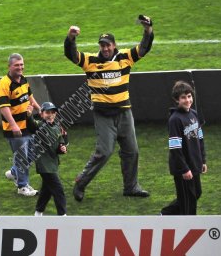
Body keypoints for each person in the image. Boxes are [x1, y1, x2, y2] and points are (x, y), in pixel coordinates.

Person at [64, 15, 154, 201]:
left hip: (124, 113)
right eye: (102, 45)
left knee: (132, 151)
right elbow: (71, 55)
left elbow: (144, 48)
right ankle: (81, 183)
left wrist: (148, 30)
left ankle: (131, 187)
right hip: (103, 116)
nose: (105, 48)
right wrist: (71, 38)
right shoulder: (90, 61)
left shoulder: (125, 58)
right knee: (104, 152)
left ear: (114, 45)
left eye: (108, 45)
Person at [161, 81, 208, 215]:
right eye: (183, 97)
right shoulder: (175, 120)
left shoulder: (194, 114)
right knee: (188, 201)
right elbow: (175, 148)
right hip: (183, 169)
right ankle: (190, 227)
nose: (187, 100)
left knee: (196, 193)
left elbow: (200, 139)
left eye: (189, 96)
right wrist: (184, 169)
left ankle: (165, 214)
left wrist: (203, 160)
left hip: (195, 164)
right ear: (176, 100)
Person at [0, 53, 41, 196]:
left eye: (21, 64)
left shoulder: (23, 79)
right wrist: (14, 125)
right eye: (17, 65)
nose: (20, 67)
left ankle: (14, 172)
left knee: (32, 153)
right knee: (22, 157)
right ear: (9, 66)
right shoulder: (4, 83)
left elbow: (30, 97)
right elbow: (4, 107)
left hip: (28, 124)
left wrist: (40, 110)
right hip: (15, 129)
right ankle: (22, 186)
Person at [26, 102, 68, 216]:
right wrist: (29, 115)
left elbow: (61, 144)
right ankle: (63, 216)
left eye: (53, 112)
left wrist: (62, 148)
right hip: (44, 164)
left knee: (47, 190)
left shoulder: (57, 127)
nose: (50, 115)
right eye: (47, 112)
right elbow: (31, 126)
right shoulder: (39, 126)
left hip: (53, 163)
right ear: (42, 114)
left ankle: (38, 212)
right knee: (58, 190)